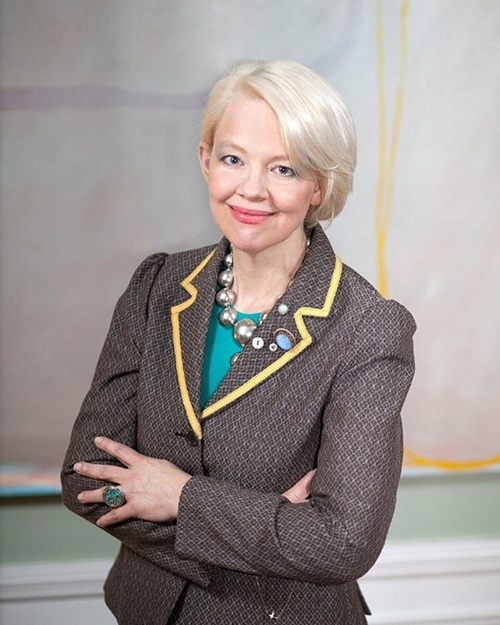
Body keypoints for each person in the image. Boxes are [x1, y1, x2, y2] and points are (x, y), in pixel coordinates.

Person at [61, 59, 416, 625]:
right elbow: (85, 476)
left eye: (284, 168)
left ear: (320, 185)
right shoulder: (157, 286)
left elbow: (342, 543)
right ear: (205, 160)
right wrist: (270, 526)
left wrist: (179, 497)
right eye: (233, 159)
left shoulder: (368, 328)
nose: (250, 189)